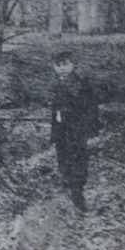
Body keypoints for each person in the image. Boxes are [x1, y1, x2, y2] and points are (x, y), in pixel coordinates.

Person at [51, 55, 100, 211]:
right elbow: (55, 110)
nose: (62, 68)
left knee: (77, 158)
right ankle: (69, 188)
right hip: (61, 129)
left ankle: (78, 194)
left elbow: (92, 108)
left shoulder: (80, 84)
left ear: (72, 64)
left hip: (76, 129)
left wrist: (88, 128)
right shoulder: (57, 84)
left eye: (65, 64)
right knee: (63, 157)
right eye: (58, 65)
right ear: (54, 67)